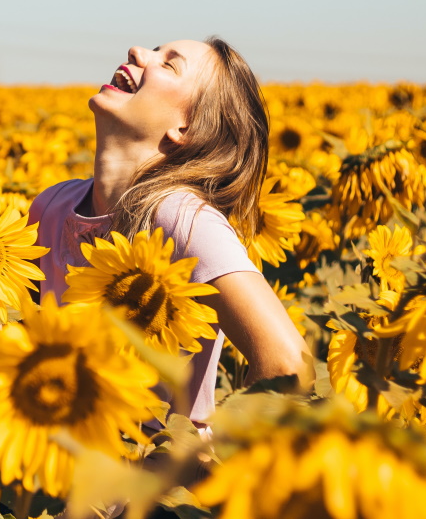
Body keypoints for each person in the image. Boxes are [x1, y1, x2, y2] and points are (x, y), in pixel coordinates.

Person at [29, 38, 312, 429]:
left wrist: (209, 466)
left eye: (168, 64)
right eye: (154, 50)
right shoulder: (52, 207)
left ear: (186, 128)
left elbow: (287, 364)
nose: (136, 52)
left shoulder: (181, 218)